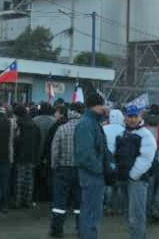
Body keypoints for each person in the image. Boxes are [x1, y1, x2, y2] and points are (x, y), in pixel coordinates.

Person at [115, 105, 157, 239]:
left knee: (136, 216)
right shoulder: (123, 133)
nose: (132, 119)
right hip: (125, 179)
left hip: (137, 181)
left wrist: (133, 176)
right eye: (130, 116)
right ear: (125, 117)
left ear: (140, 117)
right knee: (130, 215)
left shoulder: (146, 134)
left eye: (135, 116)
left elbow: (146, 159)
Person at [74, 92, 107, 239]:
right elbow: (85, 155)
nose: (105, 109)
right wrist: (100, 169)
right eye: (103, 105)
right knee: (90, 214)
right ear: (97, 105)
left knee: (92, 213)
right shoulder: (87, 124)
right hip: (92, 175)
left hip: (93, 174)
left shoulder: (92, 122)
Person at [50, 103, 84, 237]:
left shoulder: (61, 129)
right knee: (80, 201)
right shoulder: (85, 129)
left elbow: (55, 150)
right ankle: (81, 227)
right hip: (81, 170)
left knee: (59, 201)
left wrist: (54, 166)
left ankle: (57, 229)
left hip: (63, 169)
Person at [13, 104, 41, 209]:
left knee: (19, 179)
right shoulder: (34, 125)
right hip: (32, 156)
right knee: (29, 179)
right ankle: (28, 201)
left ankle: (18, 201)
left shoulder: (18, 125)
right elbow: (38, 142)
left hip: (20, 155)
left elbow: (16, 141)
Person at [103, 108, 125, 215]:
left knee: (108, 184)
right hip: (120, 160)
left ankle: (108, 206)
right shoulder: (124, 130)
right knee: (120, 185)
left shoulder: (103, 128)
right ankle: (120, 208)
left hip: (107, 160)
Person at [33, 103, 56, 202]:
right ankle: (46, 196)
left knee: (36, 174)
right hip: (50, 152)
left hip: (37, 151)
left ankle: (35, 195)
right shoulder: (54, 121)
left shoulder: (34, 120)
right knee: (48, 175)